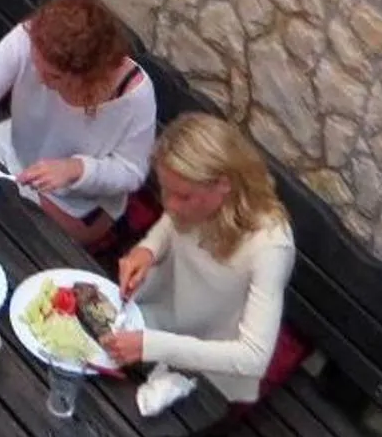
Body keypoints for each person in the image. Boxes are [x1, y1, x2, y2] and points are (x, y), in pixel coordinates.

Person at [0, 0, 156, 253]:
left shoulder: (135, 96)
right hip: (12, 154)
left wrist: (76, 169)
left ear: (90, 74)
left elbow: (132, 172)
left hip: (78, 200)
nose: (39, 77)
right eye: (36, 64)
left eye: (53, 76)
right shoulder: (29, 38)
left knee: (15, 238)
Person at [109, 114, 297, 403]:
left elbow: (254, 357)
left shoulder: (270, 245)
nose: (170, 204)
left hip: (206, 374)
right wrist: (148, 249)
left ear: (223, 185)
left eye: (183, 196)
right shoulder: (197, 202)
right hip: (157, 320)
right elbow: (170, 221)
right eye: (165, 190)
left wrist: (152, 347)